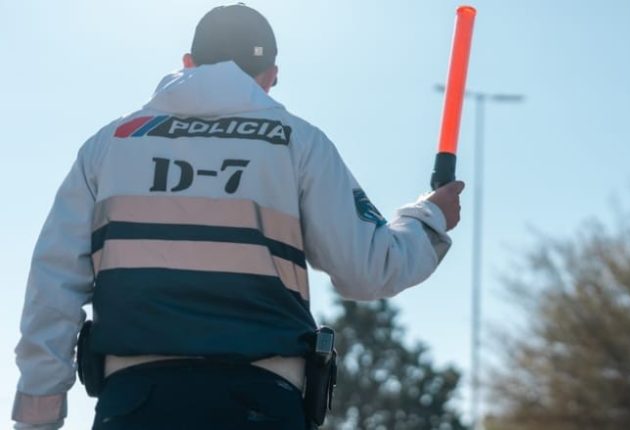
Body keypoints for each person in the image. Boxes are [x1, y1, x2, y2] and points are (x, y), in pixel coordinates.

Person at [12, 3, 464, 429]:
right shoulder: (297, 143)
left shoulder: (111, 144)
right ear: (271, 76)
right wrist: (430, 217)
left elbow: (52, 287)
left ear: (188, 63)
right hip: (261, 404)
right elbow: (369, 269)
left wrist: (38, 415)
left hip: (132, 406)